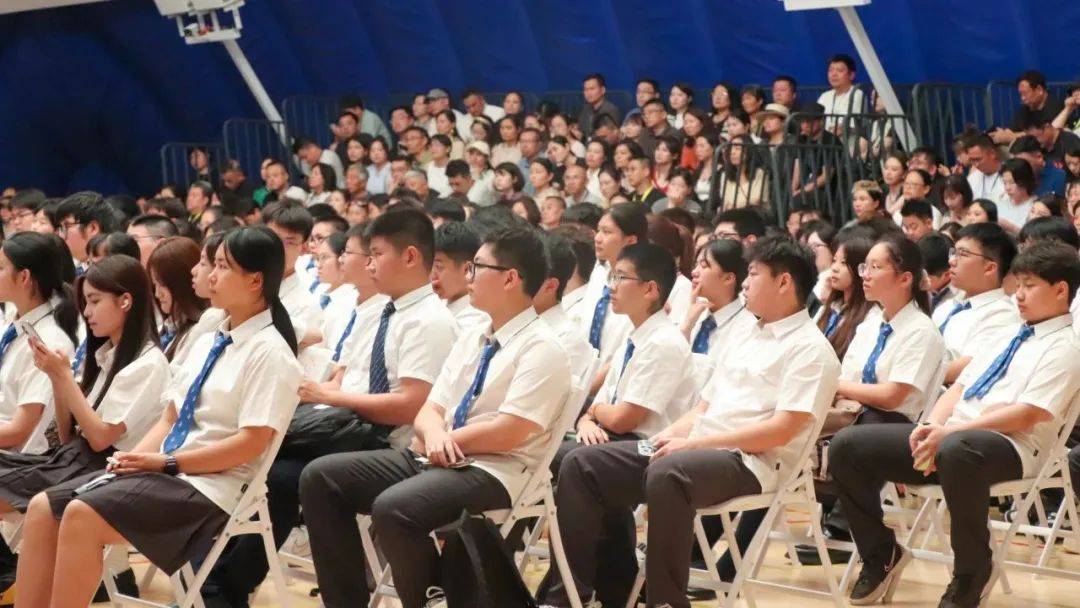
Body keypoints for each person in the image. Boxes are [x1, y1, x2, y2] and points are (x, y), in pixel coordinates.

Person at [16, 226, 302, 607]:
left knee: (80, 515)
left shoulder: (270, 352)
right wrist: (132, 460)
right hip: (169, 472)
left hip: (211, 486)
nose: (210, 276)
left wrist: (167, 462)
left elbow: (250, 444)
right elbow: (170, 417)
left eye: (222, 267)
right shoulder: (211, 337)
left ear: (255, 281)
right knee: (42, 508)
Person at [551, 236, 841, 608]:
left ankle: (665, 600)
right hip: (697, 449)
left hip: (751, 462)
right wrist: (662, 440)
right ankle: (570, 597)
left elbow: (781, 430)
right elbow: (703, 409)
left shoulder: (811, 349)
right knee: (582, 463)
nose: (745, 283)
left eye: (753, 274)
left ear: (783, 282)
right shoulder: (747, 334)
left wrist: (692, 445)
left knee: (669, 472)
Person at [299, 226, 571, 608]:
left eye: (478, 267)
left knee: (395, 507)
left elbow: (511, 431)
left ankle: (433, 601)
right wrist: (435, 435)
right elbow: (431, 407)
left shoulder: (543, 348)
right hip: (437, 454)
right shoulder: (476, 334)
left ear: (510, 278)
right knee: (321, 477)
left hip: (493, 469)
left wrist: (446, 439)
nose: (470, 276)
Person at [205, 212, 457, 606]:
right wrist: (323, 392)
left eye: (377, 254)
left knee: (287, 475)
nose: (369, 265)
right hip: (348, 426)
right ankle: (218, 581)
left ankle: (229, 584)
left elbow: (410, 406)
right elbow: (347, 376)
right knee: (261, 456)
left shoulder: (429, 320)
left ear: (410, 257)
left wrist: (331, 398)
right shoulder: (384, 310)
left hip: (389, 443)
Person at [831, 240, 1080, 608]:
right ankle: (881, 553)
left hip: (1012, 446)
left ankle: (971, 571)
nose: (1019, 295)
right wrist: (930, 426)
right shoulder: (1008, 333)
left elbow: (1029, 413)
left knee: (958, 450)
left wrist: (950, 433)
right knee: (847, 446)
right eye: (1018, 285)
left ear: (1060, 290)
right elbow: (960, 388)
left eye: (1030, 286)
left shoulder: (1067, 346)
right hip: (953, 439)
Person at [0, 253, 169, 602]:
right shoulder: (107, 354)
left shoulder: (148, 363)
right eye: (85, 302)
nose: (87, 312)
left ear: (125, 301)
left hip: (104, 468)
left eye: (94, 301)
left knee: (43, 506)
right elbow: (68, 436)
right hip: (73, 458)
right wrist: (58, 380)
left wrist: (63, 377)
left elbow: (101, 438)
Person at [539, 242, 698, 606]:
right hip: (618, 440)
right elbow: (596, 406)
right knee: (554, 454)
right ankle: (616, 584)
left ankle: (568, 594)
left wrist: (594, 413)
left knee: (577, 462)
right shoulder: (634, 334)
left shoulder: (664, 342)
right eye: (612, 276)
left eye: (621, 277)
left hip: (653, 448)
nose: (612, 285)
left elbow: (625, 416)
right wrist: (587, 419)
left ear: (650, 289)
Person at [834, 234, 945, 425]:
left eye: (875, 267)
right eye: (865, 267)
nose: (865, 275)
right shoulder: (870, 324)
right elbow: (847, 379)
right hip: (856, 413)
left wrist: (836, 386)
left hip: (895, 426)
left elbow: (891, 397)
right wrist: (840, 390)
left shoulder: (921, 330)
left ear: (905, 279)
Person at [936, 223, 1019, 385]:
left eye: (963, 254)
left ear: (989, 268)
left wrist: (908, 374)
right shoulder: (948, 305)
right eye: (953, 252)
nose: (952, 261)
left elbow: (965, 368)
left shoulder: (1003, 315)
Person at [681, 238, 756, 385]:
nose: (694, 272)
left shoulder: (747, 328)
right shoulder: (694, 311)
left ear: (728, 278)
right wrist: (686, 328)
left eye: (704, 266)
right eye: (696, 265)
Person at [262, 202, 323, 349]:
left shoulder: (307, 305)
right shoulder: (242, 283)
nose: (277, 248)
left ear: (304, 247)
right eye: (272, 238)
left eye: (288, 242)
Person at [147, 237, 208, 363]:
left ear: (182, 281)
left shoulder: (201, 330)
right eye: (154, 284)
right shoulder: (162, 330)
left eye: (162, 284)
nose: (157, 294)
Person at [432, 221, 490, 332]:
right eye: (430, 266)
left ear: (467, 270)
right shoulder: (438, 303)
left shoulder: (477, 317)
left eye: (438, 267)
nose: (432, 275)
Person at [990, 71, 1065, 146]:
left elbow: (1043, 134)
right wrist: (1002, 134)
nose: (1022, 98)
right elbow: (1014, 128)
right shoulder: (1026, 108)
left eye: (1025, 93)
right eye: (1021, 94)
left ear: (1039, 90)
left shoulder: (1055, 107)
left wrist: (1013, 136)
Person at [56, 192, 120, 277]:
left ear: (93, 228)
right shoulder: (78, 268)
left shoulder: (112, 273)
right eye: (61, 228)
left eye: (67, 226)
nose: (61, 236)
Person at [817, 54, 866, 131]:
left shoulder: (857, 94)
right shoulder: (824, 96)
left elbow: (849, 125)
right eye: (830, 70)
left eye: (839, 70)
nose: (834, 74)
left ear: (851, 75)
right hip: (825, 137)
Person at [965, 136, 1009, 208]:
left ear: (992, 153)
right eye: (972, 160)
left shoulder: (1011, 176)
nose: (976, 164)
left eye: (978, 159)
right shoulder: (972, 179)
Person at [998, 157, 1039, 233]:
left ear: (1024, 181)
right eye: (1004, 183)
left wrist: (1010, 227)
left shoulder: (1035, 206)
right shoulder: (1001, 199)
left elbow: (1032, 236)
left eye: (1012, 182)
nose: (1007, 188)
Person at [579, 73, 622, 137]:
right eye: (585, 89)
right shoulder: (585, 110)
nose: (588, 93)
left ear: (603, 90)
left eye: (592, 89)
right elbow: (581, 131)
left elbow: (609, 136)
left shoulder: (611, 110)